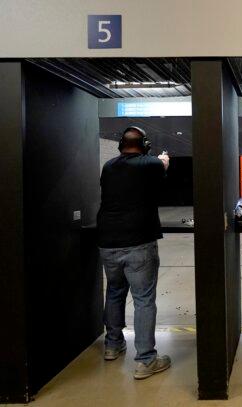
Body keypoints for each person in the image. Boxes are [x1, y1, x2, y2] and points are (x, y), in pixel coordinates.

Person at [96, 126, 172, 379]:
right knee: (143, 299)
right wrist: (163, 162)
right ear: (145, 145)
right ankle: (146, 359)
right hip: (138, 240)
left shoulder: (109, 166)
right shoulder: (151, 164)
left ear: (121, 145)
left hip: (108, 240)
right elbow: (158, 172)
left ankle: (113, 345)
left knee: (115, 292)